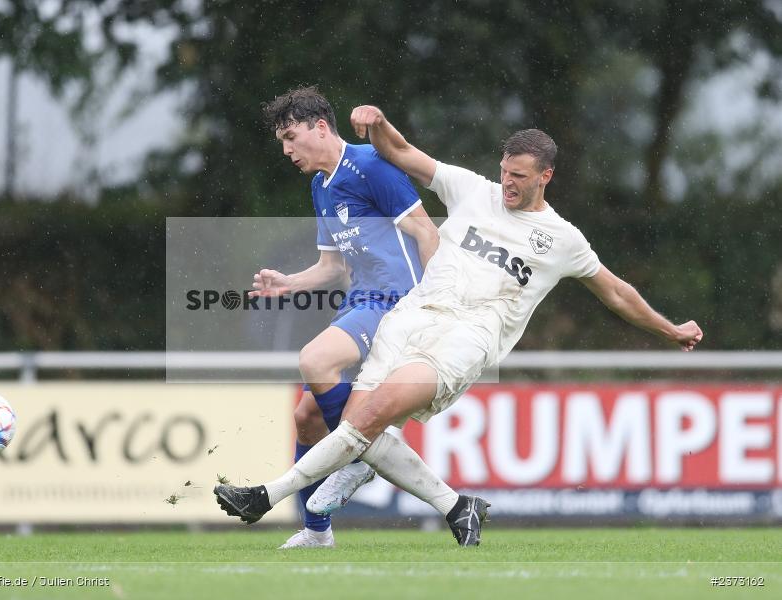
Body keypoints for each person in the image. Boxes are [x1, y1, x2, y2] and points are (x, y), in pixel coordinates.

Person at [215, 104, 704, 547]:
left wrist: (669, 329)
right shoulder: (472, 188)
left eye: (519, 177)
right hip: (414, 314)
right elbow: (403, 152)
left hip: (467, 337)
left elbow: (616, 291)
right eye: (504, 172)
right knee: (354, 424)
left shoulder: (563, 239)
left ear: (546, 176)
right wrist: (379, 124)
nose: (507, 183)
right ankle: (455, 505)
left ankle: (265, 495)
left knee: (369, 415)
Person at [252, 89, 439, 548]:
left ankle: (359, 454)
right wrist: (288, 284)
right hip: (360, 302)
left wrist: (435, 305)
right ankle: (317, 533)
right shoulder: (320, 186)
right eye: (281, 142)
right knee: (306, 416)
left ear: (320, 126)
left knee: (315, 360)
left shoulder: (371, 166)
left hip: (396, 302)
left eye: (291, 137)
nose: (286, 150)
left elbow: (426, 231)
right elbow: (332, 267)